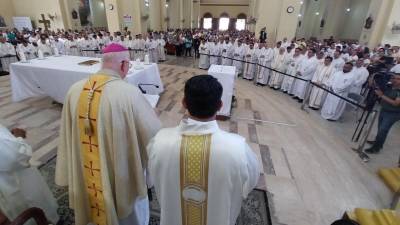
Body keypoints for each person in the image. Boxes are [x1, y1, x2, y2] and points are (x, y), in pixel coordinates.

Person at [55, 43, 161, 225]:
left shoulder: (74, 90)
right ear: (123, 65)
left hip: (87, 174)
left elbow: (67, 137)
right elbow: (155, 137)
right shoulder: (129, 93)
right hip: (121, 177)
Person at [147, 75, 260, 225]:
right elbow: (249, 184)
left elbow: (152, 176)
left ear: (184, 103)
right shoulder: (239, 148)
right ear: (220, 105)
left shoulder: (158, 141)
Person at [0, 125, 59, 224]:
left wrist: (10, 140)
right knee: (32, 211)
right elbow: (16, 157)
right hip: (13, 182)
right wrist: (19, 138)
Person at [365, 73, 400, 154]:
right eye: (394, 78)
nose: (395, 80)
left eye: (398, 79)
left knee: (383, 129)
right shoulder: (389, 86)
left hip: (393, 114)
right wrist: (372, 78)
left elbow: (396, 103)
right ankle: (378, 142)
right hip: (384, 110)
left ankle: (376, 148)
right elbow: (374, 86)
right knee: (380, 128)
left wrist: (382, 95)